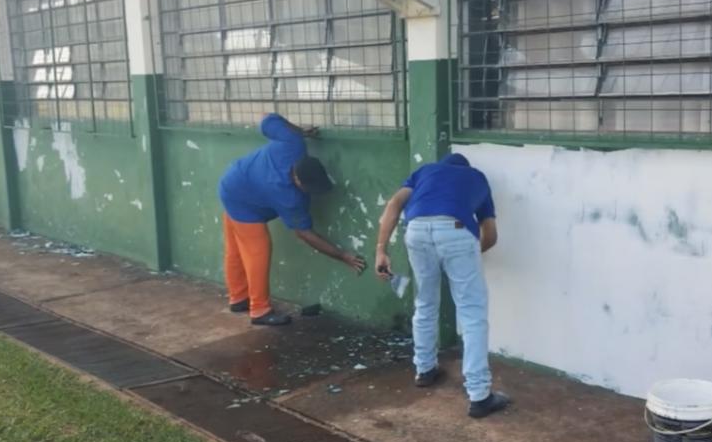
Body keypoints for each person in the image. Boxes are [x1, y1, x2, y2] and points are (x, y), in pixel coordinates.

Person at [375, 153, 509, 418]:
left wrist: (381, 249)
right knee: (472, 313)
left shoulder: (424, 172)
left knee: (425, 302)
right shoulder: (476, 178)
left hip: (416, 230)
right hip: (456, 230)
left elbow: (394, 203)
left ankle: (424, 370)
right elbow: (491, 235)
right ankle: (479, 395)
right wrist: (466, 259)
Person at [218, 113, 366, 326]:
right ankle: (259, 310)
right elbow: (305, 234)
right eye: (308, 188)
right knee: (257, 251)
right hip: (241, 201)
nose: (310, 193)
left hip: (232, 179)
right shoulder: (289, 197)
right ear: (296, 179)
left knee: (234, 249)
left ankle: (238, 298)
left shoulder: (293, 143)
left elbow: (268, 121)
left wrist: (299, 131)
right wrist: (342, 255)